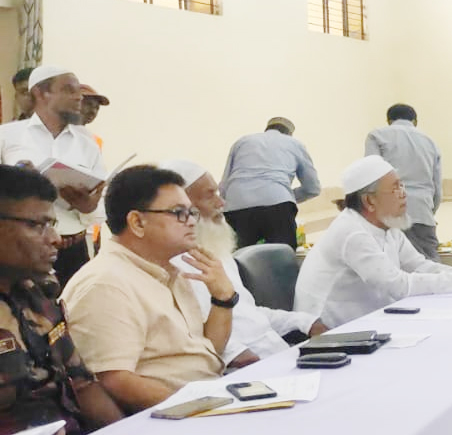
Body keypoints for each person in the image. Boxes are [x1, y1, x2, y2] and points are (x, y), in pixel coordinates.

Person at [62, 166, 235, 411]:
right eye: (179, 213)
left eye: (192, 213)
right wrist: (199, 407)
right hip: (168, 415)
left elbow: (206, 354)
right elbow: (113, 380)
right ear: (137, 222)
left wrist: (223, 298)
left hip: (203, 397)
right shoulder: (105, 283)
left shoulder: (168, 269)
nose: (191, 222)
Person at [0, 165, 124, 435]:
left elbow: (82, 385)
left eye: (52, 224)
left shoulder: (37, 296)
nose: (55, 238)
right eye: (37, 225)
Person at [295, 156, 452, 327]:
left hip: (365, 323)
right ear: (369, 201)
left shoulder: (387, 226)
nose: (403, 194)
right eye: (395, 188)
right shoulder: (351, 232)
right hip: (325, 330)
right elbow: (399, 286)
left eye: (402, 185)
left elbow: (420, 266)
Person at [162, 160, 327, 366]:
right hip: (244, 367)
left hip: (277, 353)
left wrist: (305, 321)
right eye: (210, 195)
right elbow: (196, 334)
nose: (221, 203)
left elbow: (249, 314)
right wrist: (236, 355)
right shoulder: (173, 266)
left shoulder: (216, 252)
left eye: (218, 193)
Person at [0, 66, 105, 285]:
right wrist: (20, 181)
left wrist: (88, 207)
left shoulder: (88, 144)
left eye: (79, 91)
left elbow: (98, 208)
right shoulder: (7, 135)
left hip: (73, 252)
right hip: (20, 251)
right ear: (41, 93)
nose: (78, 97)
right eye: (69, 90)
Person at [219, 116, 320, 249]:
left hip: (237, 207)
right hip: (277, 206)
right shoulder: (295, 144)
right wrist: (287, 196)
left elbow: (224, 185)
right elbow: (313, 188)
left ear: (267, 128)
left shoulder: (242, 141)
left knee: (239, 257)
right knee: (281, 256)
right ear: (289, 133)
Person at [365, 104, 443, 261]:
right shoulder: (430, 142)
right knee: (428, 265)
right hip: (422, 213)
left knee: (388, 265)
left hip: (387, 215)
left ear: (389, 121)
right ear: (415, 121)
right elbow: (437, 188)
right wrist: (428, 212)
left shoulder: (377, 136)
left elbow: (371, 176)